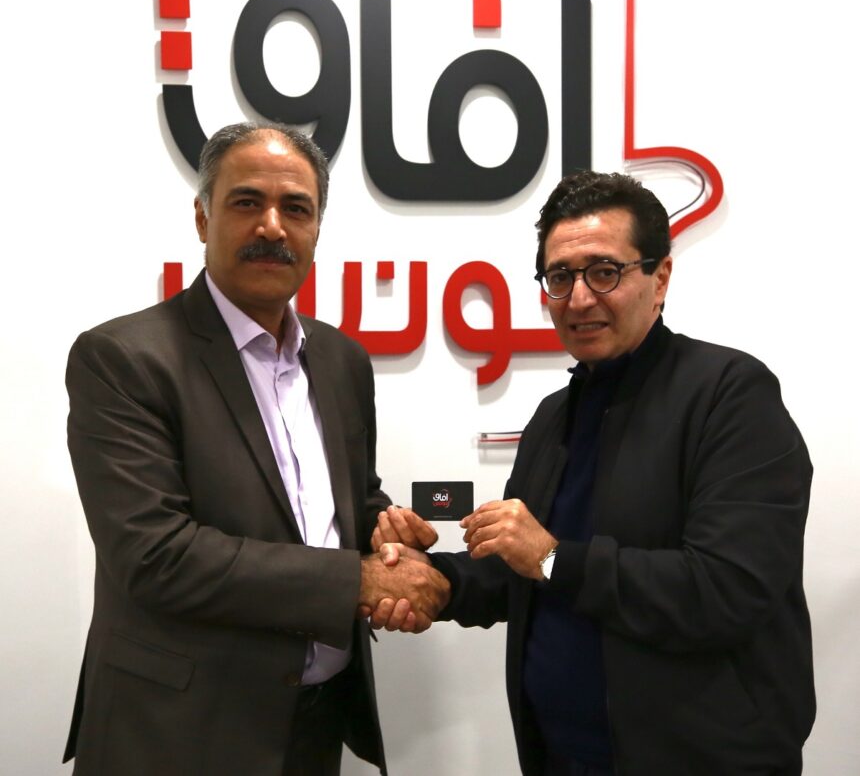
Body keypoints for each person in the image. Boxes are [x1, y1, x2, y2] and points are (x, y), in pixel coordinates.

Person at [372, 171, 815, 775]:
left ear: (660, 277)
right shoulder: (554, 417)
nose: (579, 299)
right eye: (560, 277)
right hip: (562, 759)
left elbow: (726, 590)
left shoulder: (730, 396)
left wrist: (553, 558)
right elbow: (520, 573)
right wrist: (433, 579)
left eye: (604, 272)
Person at [63, 121, 449, 776]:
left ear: (317, 229)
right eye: (247, 201)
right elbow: (156, 555)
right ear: (202, 216)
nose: (272, 226)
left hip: (314, 726)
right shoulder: (123, 358)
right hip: (176, 734)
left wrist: (384, 532)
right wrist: (361, 579)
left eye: (296, 208)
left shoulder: (342, 360)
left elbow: (346, 498)